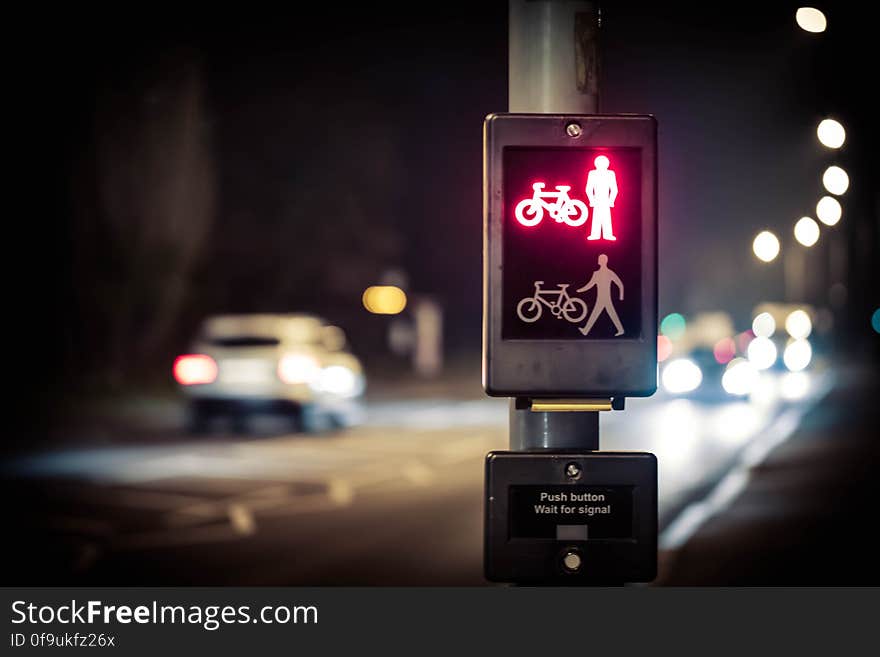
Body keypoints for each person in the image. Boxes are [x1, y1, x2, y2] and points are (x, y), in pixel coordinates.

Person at [577, 254, 624, 336]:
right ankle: (586, 330)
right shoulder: (596, 273)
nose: (598, 260)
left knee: (606, 313)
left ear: (603, 261)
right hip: (600, 298)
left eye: (600, 259)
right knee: (599, 313)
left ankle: (586, 330)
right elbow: (590, 285)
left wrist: (621, 296)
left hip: (606, 298)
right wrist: (580, 290)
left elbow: (620, 284)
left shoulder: (609, 273)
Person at [585, 155, 618, 240]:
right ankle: (595, 234)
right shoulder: (592, 173)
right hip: (597, 198)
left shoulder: (610, 173)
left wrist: (611, 200)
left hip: (605, 199)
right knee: (596, 217)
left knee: (606, 217)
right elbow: (589, 188)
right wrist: (591, 200)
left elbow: (614, 189)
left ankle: (608, 235)